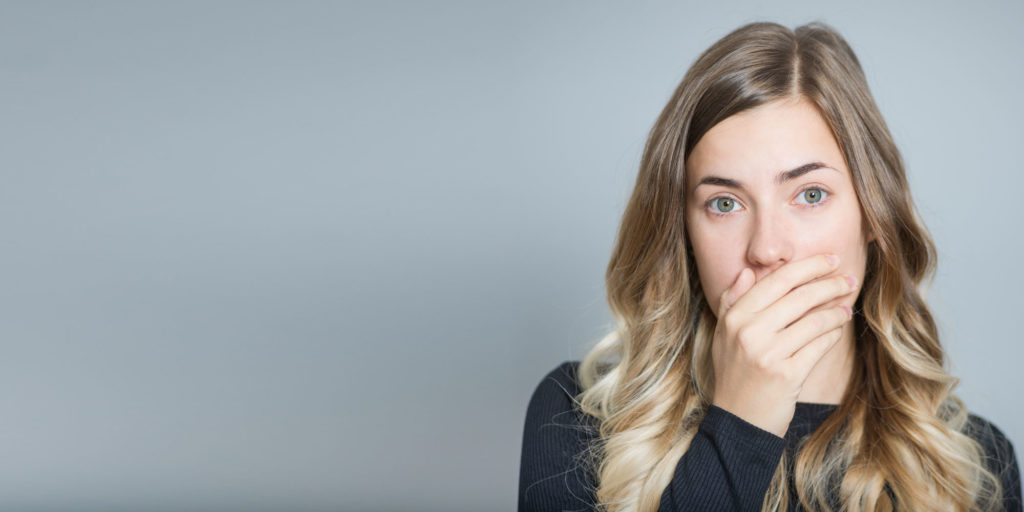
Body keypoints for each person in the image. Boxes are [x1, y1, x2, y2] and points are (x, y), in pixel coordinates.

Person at [517, 20, 1022, 512]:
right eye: (724, 203)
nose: (766, 249)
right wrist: (741, 420)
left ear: (873, 216)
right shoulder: (576, 417)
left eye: (810, 194)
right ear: (684, 232)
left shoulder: (977, 463)